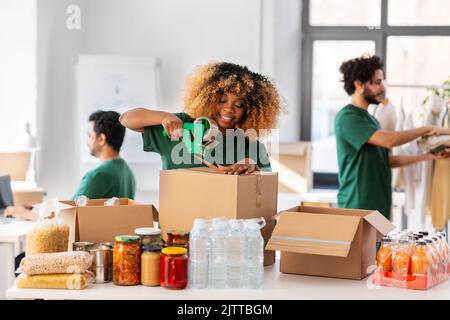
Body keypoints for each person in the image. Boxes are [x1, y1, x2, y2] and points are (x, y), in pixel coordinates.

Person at [335, 55, 450, 219]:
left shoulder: (371, 119)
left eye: (382, 81)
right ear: (359, 84)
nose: (383, 88)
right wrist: (426, 129)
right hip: (358, 206)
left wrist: (426, 156)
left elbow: (385, 161)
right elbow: (389, 140)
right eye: (377, 82)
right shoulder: (347, 118)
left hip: (380, 205)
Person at [120, 61, 281, 175]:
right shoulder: (182, 125)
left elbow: (264, 190)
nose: (228, 109)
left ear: (250, 111)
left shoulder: (252, 147)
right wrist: (164, 117)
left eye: (239, 105)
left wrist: (254, 169)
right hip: (176, 221)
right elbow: (126, 119)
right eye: (222, 100)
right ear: (209, 98)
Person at [4, 110, 136, 221]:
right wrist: (41, 207)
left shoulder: (98, 176)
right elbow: (71, 206)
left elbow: (65, 215)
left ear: (101, 139)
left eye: (89, 135)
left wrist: (23, 213)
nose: (87, 140)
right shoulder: (126, 170)